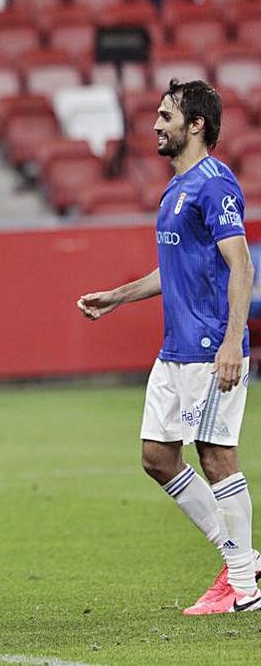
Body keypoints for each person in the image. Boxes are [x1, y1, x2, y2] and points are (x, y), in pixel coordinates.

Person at [78, 79, 261, 615]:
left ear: (195, 124)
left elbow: (241, 265)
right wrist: (119, 295)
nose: (156, 125)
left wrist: (232, 341)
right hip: (175, 350)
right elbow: (177, 268)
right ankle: (243, 560)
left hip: (210, 347)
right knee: (157, 457)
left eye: (165, 116)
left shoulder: (215, 185)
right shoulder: (176, 189)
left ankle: (246, 587)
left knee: (215, 456)